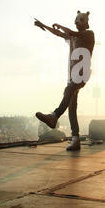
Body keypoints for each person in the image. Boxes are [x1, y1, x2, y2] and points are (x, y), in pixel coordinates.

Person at [34, 11, 95, 151]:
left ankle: (54, 116)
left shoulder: (88, 34)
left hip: (82, 74)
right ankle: (75, 140)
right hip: (73, 75)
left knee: (68, 91)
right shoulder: (73, 37)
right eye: (76, 20)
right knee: (72, 107)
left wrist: (60, 26)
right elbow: (59, 34)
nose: (77, 22)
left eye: (80, 20)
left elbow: (70, 32)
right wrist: (43, 25)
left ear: (86, 23)